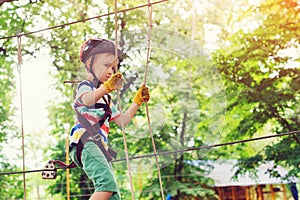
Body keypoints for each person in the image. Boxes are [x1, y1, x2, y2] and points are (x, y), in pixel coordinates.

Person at [69, 38, 150, 200]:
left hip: (99, 147)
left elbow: (122, 121)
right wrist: (105, 88)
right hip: (85, 142)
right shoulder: (86, 87)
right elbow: (87, 100)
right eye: (107, 65)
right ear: (90, 63)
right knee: (106, 185)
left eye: (113, 68)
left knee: (113, 196)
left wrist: (137, 102)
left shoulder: (106, 99)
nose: (111, 72)